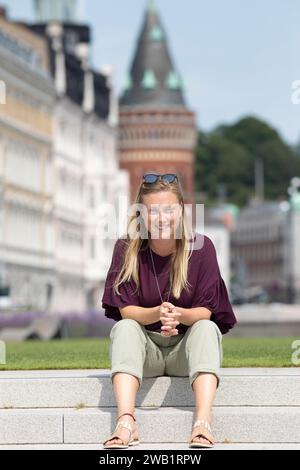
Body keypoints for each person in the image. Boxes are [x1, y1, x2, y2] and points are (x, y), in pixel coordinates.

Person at [101, 173, 237, 449]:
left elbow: (206, 311)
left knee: (206, 329)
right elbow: (126, 310)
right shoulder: (126, 248)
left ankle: (202, 422)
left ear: (182, 211)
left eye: (169, 210)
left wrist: (179, 316)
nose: (161, 219)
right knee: (124, 328)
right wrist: (157, 314)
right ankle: (126, 421)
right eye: (152, 212)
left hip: (185, 353)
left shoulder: (201, 248)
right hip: (146, 352)